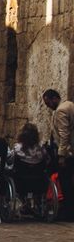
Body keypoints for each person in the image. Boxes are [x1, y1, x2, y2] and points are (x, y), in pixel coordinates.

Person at [43, 88, 74, 220]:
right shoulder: (70, 105)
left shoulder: (61, 111)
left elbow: (64, 134)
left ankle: (68, 212)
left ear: (54, 98)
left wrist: (61, 155)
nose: (48, 106)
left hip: (68, 153)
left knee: (65, 182)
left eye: (48, 102)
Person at [9, 123, 48, 204]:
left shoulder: (18, 148)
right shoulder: (41, 150)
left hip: (20, 182)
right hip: (38, 181)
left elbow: (11, 161)